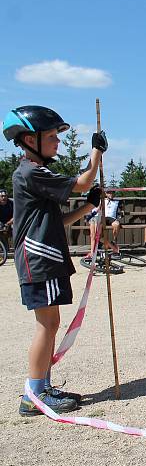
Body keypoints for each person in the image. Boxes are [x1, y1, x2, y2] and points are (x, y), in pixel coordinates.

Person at [2, 105, 108, 416]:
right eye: (50, 136)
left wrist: (87, 207)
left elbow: (58, 221)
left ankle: (42, 387)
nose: (57, 142)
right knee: (46, 325)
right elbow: (83, 182)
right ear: (29, 140)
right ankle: (34, 394)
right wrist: (96, 152)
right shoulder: (32, 172)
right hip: (38, 260)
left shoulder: (34, 174)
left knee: (51, 323)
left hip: (44, 258)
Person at [86, 189, 121, 255]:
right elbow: (94, 211)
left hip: (103, 218)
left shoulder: (103, 201)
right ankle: (92, 252)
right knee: (93, 235)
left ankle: (112, 245)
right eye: (108, 193)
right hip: (97, 218)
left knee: (96, 235)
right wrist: (89, 218)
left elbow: (98, 210)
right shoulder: (96, 200)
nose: (110, 194)